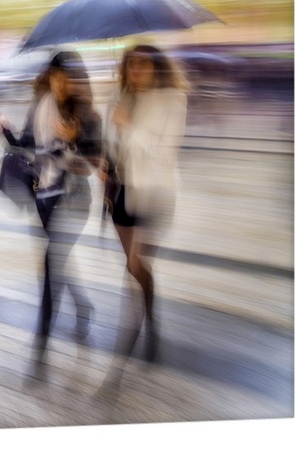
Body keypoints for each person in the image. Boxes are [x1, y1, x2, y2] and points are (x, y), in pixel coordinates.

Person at [0, 50, 102, 374]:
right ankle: (83, 305)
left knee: (51, 266)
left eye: (67, 78)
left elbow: (91, 164)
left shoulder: (88, 115)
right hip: (44, 197)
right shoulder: (40, 106)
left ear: (78, 81)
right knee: (57, 260)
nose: (61, 83)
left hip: (73, 199)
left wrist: (72, 141)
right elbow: (23, 146)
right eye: (55, 76)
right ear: (48, 76)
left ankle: (41, 345)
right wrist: (3, 126)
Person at [100, 44, 188, 378]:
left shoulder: (172, 99)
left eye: (144, 64)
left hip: (154, 194)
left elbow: (165, 153)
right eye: (131, 64)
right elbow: (112, 144)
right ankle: (151, 319)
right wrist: (105, 162)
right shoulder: (117, 96)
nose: (136, 69)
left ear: (156, 67)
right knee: (134, 266)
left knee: (135, 264)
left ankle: (134, 334)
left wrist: (130, 125)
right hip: (121, 192)